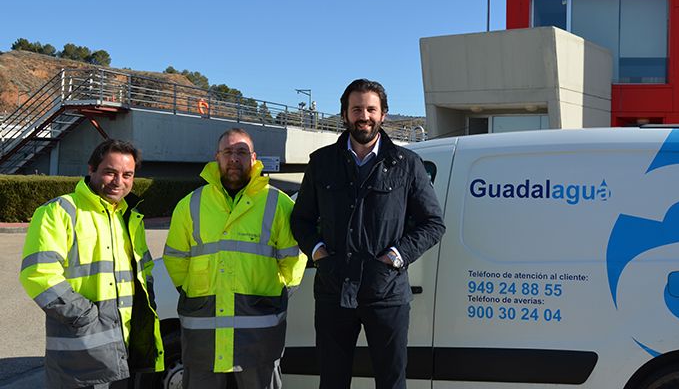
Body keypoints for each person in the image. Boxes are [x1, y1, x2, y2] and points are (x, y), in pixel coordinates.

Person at [290, 79, 445, 389]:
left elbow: (433, 223)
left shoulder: (406, 164)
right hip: (334, 290)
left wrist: (396, 257)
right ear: (345, 114)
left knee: (391, 382)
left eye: (371, 109)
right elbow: (301, 220)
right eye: (357, 109)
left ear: (383, 114)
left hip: (386, 292)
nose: (364, 116)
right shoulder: (322, 162)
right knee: (332, 381)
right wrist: (320, 255)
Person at [163, 128, 306, 389]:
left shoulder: (279, 204)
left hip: (258, 335)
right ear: (217, 157)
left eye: (241, 152)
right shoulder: (190, 205)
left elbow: (294, 261)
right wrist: (197, 294)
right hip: (203, 333)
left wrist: (273, 297)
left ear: (254, 158)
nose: (234, 158)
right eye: (227, 152)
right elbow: (175, 259)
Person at [19, 139, 164, 388]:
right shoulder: (59, 211)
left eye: (127, 175)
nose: (119, 181)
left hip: (123, 353)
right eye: (110, 172)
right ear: (91, 169)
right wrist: (86, 318)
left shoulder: (129, 216)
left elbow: (144, 271)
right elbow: (38, 274)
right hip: (78, 357)